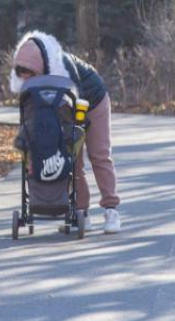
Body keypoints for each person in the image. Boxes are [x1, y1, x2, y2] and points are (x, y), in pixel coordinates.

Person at [9, 31, 121, 233]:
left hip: (92, 101)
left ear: (40, 66)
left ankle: (111, 209)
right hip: (63, 109)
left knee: (99, 155)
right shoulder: (30, 74)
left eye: (32, 76)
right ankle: (81, 212)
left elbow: (78, 100)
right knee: (71, 160)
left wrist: (76, 130)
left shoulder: (63, 67)